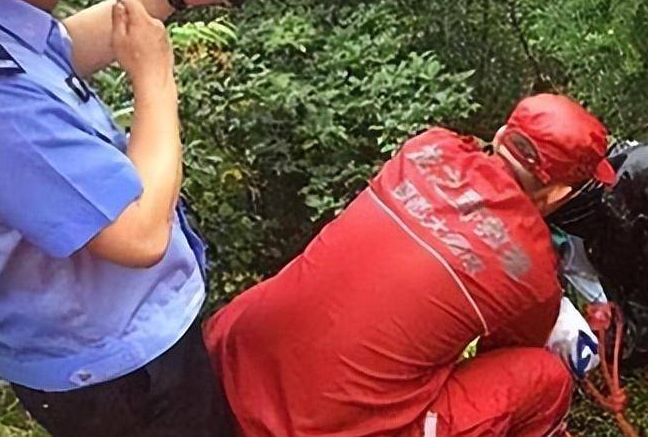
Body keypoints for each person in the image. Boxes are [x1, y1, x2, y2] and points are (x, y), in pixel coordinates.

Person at [0, 0, 235, 436]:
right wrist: (156, 81)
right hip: (120, 373)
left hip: (117, 347)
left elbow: (54, 54)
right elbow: (139, 231)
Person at [204, 93, 617, 437]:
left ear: (501, 135)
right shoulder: (530, 268)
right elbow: (511, 350)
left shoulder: (427, 146)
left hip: (229, 355)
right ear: (559, 193)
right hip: (311, 427)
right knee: (545, 378)